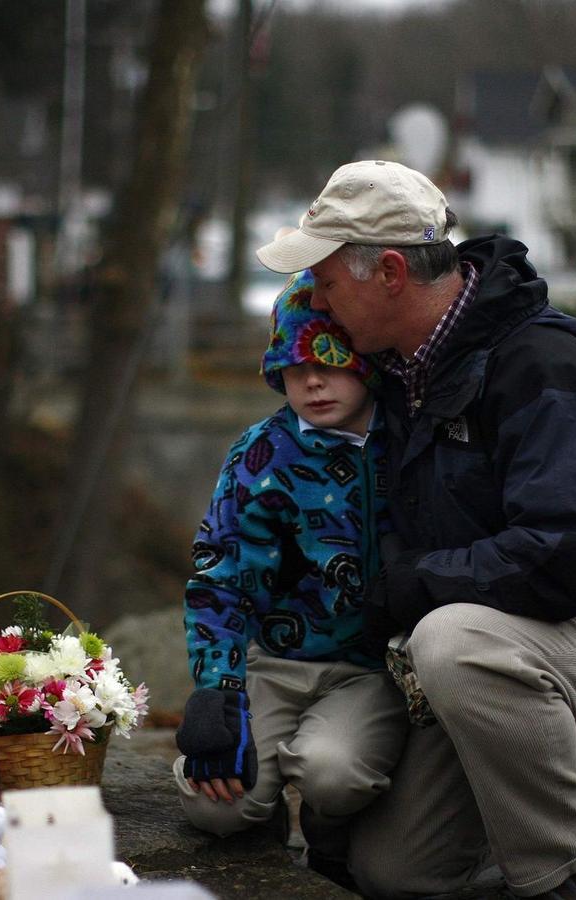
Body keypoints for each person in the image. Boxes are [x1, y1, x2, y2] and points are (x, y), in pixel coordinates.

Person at [255, 160, 576, 900]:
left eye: (326, 280)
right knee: (395, 873)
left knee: (449, 642)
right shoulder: (407, 378)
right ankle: (527, 761)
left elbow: (566, 557)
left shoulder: (546, 370)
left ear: (392, 273)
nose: (315, 299)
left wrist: (407, 589)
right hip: (503, 642)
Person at [173, 270, 408, 878]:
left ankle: (331, 833)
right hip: (271, 662)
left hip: (367, 669)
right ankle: (262, 816)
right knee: (218, 805)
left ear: (366, 363)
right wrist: (216, 690)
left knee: (334, 774)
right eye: (292, 367)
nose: (312, 380)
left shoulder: (408, 439)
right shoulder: (263, 453)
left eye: (330, 361)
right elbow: (219, 569)